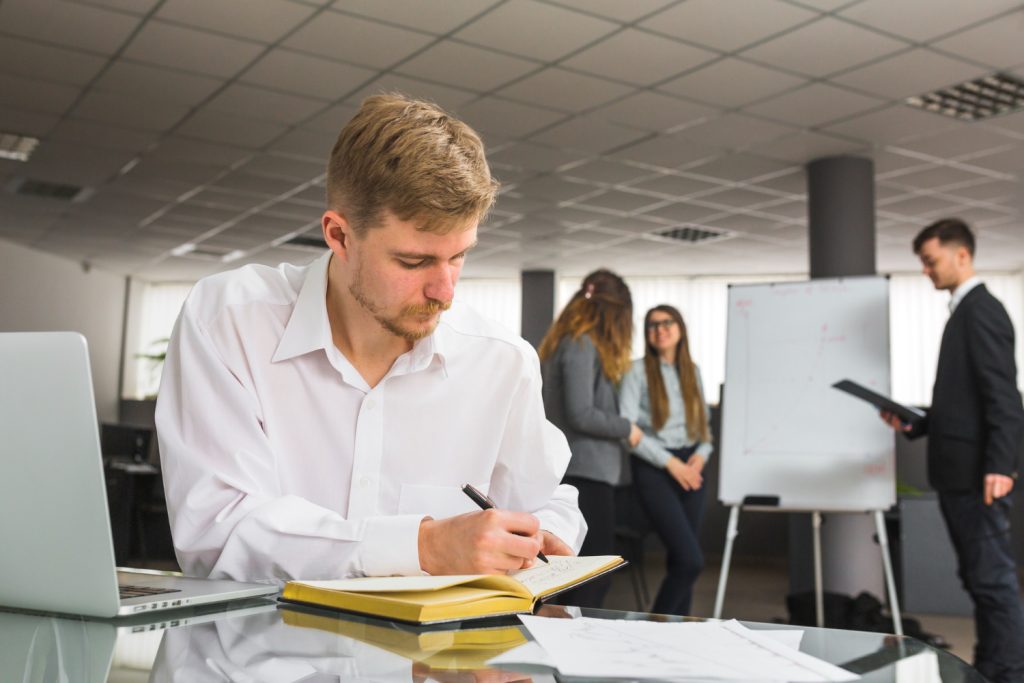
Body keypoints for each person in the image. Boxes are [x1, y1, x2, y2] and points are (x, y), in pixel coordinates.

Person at [155, 94, 585, 582]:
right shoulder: (229, 322)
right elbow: (218, 533)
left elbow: (547, 497)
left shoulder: (503, 361)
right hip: (261, 651)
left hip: (436, 658)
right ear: (339, 236)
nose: (444, 292)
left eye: (459, 256)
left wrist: (543, 531)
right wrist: (422, 548)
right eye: (414, 261)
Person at [881, 218, 1024, 683]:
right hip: (958, 474)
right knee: (979, 582)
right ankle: (992, 665)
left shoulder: (982, 310)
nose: (926, 271)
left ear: (962, 255)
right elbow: (965, 406)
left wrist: (1002, 464)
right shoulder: (962, 311)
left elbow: (1004, 398)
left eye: (930, 260)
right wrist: (915, 423)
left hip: (977, 477)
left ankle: (1008, 670)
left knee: (993, 582)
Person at [538, 269, 642, 608]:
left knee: (578, 576)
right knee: (590, 579)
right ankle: (563, 651)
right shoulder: (581, 343)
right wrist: (626, 428)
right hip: (585, 473)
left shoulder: (571, 340)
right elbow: (580, 412)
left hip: (588, 471)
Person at [619, 305, 712, 616]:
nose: (659, 329)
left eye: (666, 322)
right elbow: (627, 429)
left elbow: (705, 429)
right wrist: (672, 464)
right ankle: (655, 627)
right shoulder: (636, 371)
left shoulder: (693, 371)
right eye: (652, 325)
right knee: (690, 560)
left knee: (680, 560)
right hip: (656, 469)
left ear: (680, 327)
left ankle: (677, 638)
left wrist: (700, 455)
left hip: (692, 467)